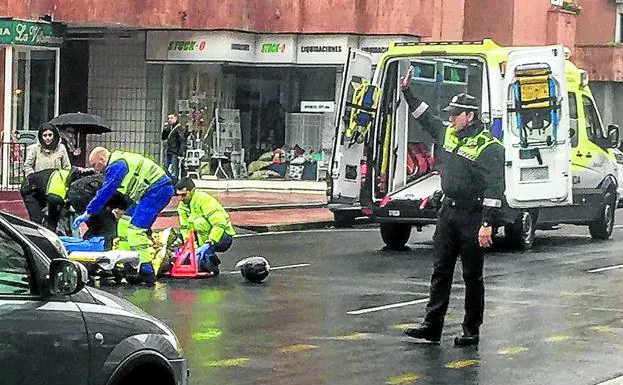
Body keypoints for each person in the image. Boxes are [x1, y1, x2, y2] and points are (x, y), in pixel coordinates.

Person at [399, 67, 505, 346]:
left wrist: (487, 224)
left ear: (469, 116)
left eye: (455, 114)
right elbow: (425, 117)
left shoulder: (490, 147)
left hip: (473, 216)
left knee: (472, 276)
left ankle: (471, 330)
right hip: (448, 214)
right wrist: (407, 92)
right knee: (440, 271)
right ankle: (431, 327)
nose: (450, 118)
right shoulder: (448, 134)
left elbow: (495, 190)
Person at [72, 147, 174, 284]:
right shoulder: (120, 161)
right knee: (124, 222)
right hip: (152, 191)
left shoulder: (117, 165)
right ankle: (129, 265)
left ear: (102, 159)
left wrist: (89, 212)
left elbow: (106, 191)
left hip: (156, 190)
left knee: (135, 230)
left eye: (94, 165)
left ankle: (146, 271)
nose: (95, 169)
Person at [175, 177, 235, 274]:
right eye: (179, 195)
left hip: (223, 236)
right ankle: (207, 260)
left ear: (193, 191)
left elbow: (219, 223)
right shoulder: (182, 206)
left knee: (199, 222)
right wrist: (191, 247)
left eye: (184, 195)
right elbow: (185, 228)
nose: (181, 199)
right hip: (204, 238)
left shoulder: (204, 200)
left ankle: (207, 257)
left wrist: (211, 240)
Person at [20, 167, 95, 232]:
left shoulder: (71, 178)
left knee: (53, 219)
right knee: (37, 220)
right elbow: (54, 208)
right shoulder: (58, 191)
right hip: (30, 188)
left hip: (43, 188)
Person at [162, 113, 187, 183]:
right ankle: (168, 182)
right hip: (169, 151)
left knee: (174, 170)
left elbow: (182, 141)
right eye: (169, 118)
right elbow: (164, 137)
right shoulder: (170, 128)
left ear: (176, 118)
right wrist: (165, 129)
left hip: (175, 153)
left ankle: (174, 183)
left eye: (171, 118)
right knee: (166, 168)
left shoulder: (179, 128)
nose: (170, 120)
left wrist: (181, 153)